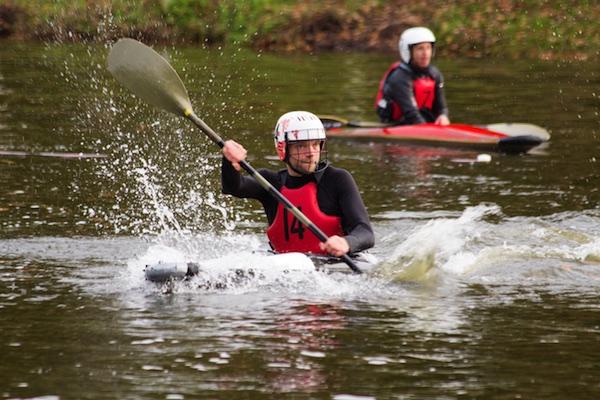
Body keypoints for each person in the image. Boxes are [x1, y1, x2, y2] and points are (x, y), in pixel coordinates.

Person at [221, 111, 374, 257]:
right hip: (288, 267)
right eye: (301, 146)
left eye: (315, 145)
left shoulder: (337, 179)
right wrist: (230, 161)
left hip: (334, 264)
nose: (311, 152)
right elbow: (234, 187)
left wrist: (347, 243)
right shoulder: (269, 183)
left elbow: (365, 233)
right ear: (283, 149)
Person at [375, 26, 450, 126]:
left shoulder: (435, 74)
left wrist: (443, 116)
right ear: (408, 52)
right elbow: (411, 113)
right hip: (398, 124)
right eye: (420, 48)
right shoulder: (400, 78)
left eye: (428, 47)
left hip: (422, 122)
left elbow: (442, 107)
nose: (425, 53)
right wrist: (428, 131)